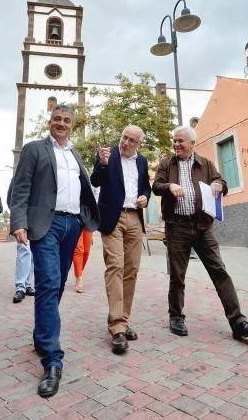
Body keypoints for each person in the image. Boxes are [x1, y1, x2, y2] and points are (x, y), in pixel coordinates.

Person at [9, 104, 100, 398]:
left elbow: (84, 188)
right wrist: (18, 222)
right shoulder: (34, 149)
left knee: (57, 285)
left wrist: (86, 217)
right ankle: (52, 360)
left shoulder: (74, 154)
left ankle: (40, 335)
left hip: (71, 226)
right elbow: (19, 188)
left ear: (72, 125)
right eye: (57, 119)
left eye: (67, 120)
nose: (61, 124)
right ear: (50, 122)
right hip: (45, 226)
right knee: (48, 284)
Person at [152, 125, 248, 341]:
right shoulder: (167, 163)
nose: (176, 144)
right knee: (177, 275)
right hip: (177, 227)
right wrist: (170, 186)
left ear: (193, 143)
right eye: (175, 141)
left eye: (181, 141)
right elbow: (156, 186)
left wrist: (219, 184)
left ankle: (238, 321)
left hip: (203, 226)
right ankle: (176, 317)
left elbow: (222, 181)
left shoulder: (206, 164)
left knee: (219, 271)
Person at [90, 125, 151, 354]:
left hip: (134, 218)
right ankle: (116, 327)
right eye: (124, 137)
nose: (125, 142)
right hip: (112, 219)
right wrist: (103, 164)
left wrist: (145, 195)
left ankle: (123, 320)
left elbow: (145, 185)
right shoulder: (107, 154)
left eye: (131, 140)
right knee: (115, 266)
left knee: (131, 269)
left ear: (139, 144)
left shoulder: (142, 161)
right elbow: (95, 181)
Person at [7, 179, 35, 303]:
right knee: (24, 251)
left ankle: (28, 285)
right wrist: (18, 217)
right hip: (24, 220)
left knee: (33, 252)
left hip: (39, 220)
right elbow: (11, 198)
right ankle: (20, 287)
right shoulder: (21, 173)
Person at [73, 228, 93, 293]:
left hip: (88, 220)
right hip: (76, 219)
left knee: (86, 251)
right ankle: (79, 277)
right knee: (78, 248)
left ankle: (78, 272)